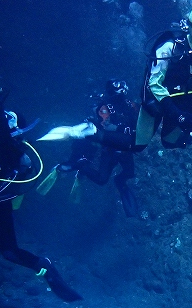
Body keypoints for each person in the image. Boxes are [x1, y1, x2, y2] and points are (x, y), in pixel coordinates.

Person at [0, 86, 82, 302]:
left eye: (10, 119)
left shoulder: (13, 149)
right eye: (5, 117)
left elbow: (4, 136)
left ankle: (44, 267)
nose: (4, 120)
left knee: (9, 252)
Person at [134, 0, 192, 151]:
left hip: (185, 108)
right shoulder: (170, 48)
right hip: (159, 104)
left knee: (170, 143)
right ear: (191, 28)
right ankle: (96, 132)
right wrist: (177, 115)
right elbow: (154, 83)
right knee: (137, 146)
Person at [54, 80, 139, 217]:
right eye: (118, 88)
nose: (122, 91)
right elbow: (106, 127)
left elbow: (139, 121)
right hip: (110, 149)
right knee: (101, 179)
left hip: (125, 148)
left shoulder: (130, 105)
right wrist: (125, 129)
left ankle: (120, 181)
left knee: (129, 173)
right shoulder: (104, 108)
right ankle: (80, 164)